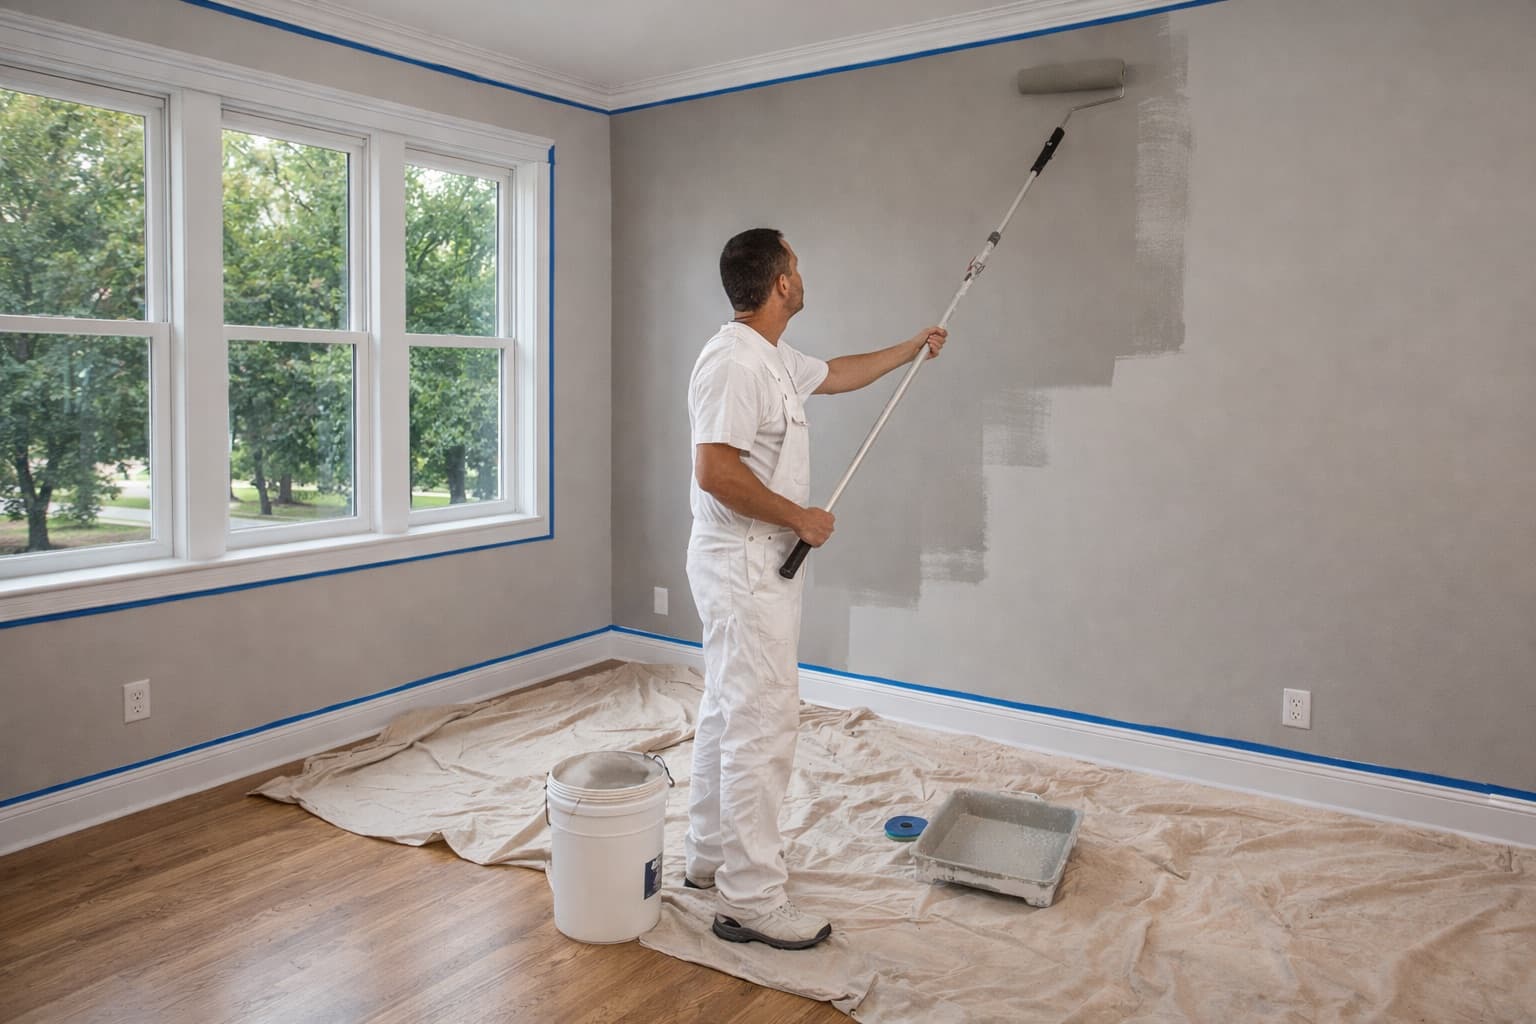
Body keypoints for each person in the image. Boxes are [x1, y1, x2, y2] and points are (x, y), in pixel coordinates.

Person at [684, 228, 946, 950]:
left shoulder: (770, 357)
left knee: (727, 711)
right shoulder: (734, 363)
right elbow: (716, 472)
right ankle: (751, 900)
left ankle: (707, 859)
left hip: (755, 562)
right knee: (762, 728)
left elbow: (835, 373)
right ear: (781, 285)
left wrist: (911, 347)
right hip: (743, 561)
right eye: (795, 265)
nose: (802, 274)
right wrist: (800, 516)